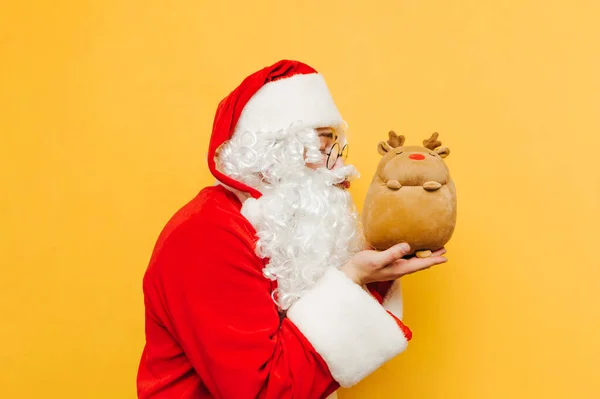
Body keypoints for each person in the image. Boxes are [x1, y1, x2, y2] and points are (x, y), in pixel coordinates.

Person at [136, 60, 447, 399]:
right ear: (273, 152)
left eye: (337, 149)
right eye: (323, 148)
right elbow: (264, 390)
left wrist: (373, 272)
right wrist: (353, 278)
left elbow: (301, 352)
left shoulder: (272, 226)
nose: (341, 168)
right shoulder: (205, 236)